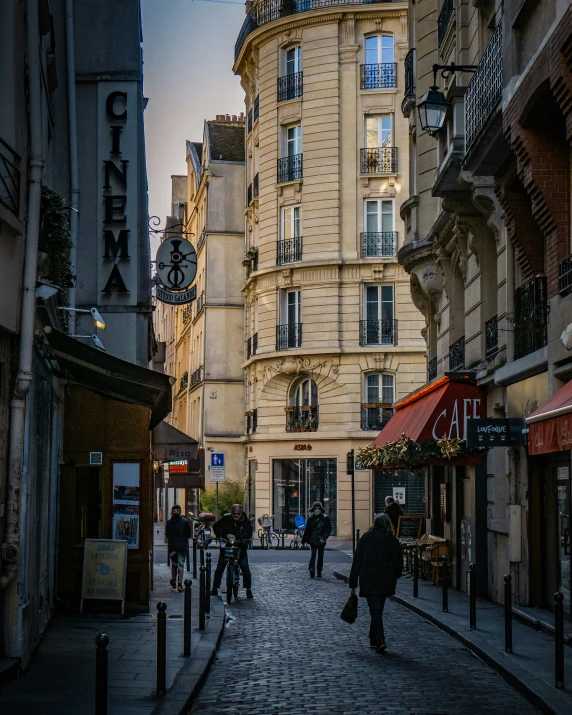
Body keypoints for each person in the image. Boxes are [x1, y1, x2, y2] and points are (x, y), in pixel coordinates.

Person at [348, 513, 403, 653]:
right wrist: (396, 575)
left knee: (375, 610)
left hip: (369, 578)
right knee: (378, 609)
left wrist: (353, 581)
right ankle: (374, 638)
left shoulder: (367, 538)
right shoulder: (392, 540)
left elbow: (357, 560)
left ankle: (379, 639)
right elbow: (399, 561)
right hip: (386, 579)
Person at [211, 504, 254, 598]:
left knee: (244, 566)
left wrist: (243, 539)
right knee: (220, 567)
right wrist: (223, 535)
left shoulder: (245, 521)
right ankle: (215, 588)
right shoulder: (226, 519)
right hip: (226, 547)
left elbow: (249, 532)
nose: (236, 516)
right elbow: (216, 526)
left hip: (240, 548)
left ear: (241, 512)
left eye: (238, 513)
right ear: (231, 512)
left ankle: (248, 589)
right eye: (234, 513)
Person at [301, 501, 332, 578]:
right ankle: (312, 570)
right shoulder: (311, 518)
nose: (317, 509)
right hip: (313, 539)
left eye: (318, 508)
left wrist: (324, 538)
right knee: (313, 555)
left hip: (321, 539)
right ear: (313, 509)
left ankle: (319, 571)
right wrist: (304, 540)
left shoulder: (325, 518)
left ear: (321, 509)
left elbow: (329, 529)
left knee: (320, 556)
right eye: (316, 508)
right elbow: (307, 530)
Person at [165, 505, 192, 592]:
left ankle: (173, 581)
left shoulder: (169, 522)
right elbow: (189, 534)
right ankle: (180, 584)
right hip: (182, 548)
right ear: (180, 512)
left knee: (174, 565)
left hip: (173, 547)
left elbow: (167, 534)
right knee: (181, 565)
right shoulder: (185, 522)